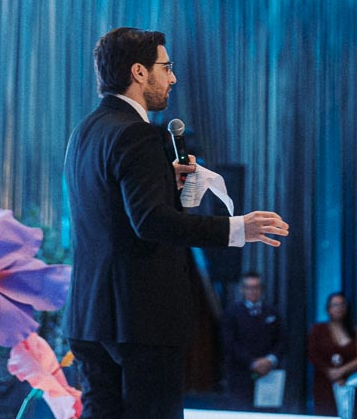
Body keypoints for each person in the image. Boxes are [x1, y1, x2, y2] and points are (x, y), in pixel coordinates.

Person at [63, 27, 289, 419]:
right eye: (166, 68)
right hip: (140, 322)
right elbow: (150, 222)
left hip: (90, 317)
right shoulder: (138, 134)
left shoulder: (85, 132)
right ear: (139, 72)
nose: (173, 78)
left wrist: (163, 181)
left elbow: (115, 212)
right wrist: (237, 228)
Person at [221, 271, 285, 410]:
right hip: (241, 375)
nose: (253, 291)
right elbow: (229, 343)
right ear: (242, 289)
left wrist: (270, 360)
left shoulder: (272, 312)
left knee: (268, 414)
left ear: (261, 289)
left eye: (256, 287)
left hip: (268, 374)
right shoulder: (232, 312)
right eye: (249, 287)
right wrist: (252, 362)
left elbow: (281, 340)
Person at [307, 292, 357, 416]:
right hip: (324, 381)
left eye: (341, 305)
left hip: (349, 382)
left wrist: (342, 371)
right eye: (335, 305)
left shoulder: (356, 331)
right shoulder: (318, 329)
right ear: (328, 308)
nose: (338, 308)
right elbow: (312, 353)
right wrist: (330, 372)